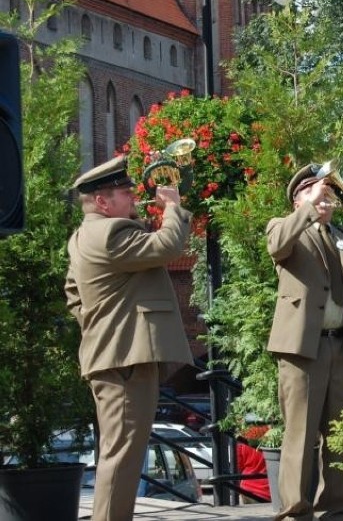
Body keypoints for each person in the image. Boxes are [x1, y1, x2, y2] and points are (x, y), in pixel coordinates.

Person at [64, 155, 193, 521]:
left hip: (115, 354)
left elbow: (73, 292)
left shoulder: (81, 236)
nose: (134, 197)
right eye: (125, 192)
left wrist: (101, 321)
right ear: (102, 202)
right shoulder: (112, 232)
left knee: (118, 452)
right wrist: (173, 207)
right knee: (122, 456)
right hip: (125, 358)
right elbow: (168, 246)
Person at [266, 163, 343, 521]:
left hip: (341, 345)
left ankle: (336, 509)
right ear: (297, 200)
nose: (325, 197)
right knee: (301, 435)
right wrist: (309, 207)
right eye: (315, 192)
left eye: (327, 192)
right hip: (303, 347)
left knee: (340, 435)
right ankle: (295, 511)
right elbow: (276, 245)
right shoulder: (284, 227)